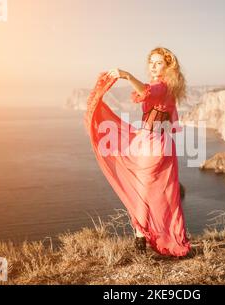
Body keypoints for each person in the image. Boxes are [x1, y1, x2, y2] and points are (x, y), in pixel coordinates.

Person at [84, 47, 190, 257]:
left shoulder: (162, 86)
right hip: (158, 142)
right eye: (151, 61)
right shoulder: (170, 87)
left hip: (152, 143)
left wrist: (127, 75)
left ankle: (140, 235)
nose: (153, 65)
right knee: (159, 191)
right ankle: (151, 235)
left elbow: (146, 91)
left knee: (141, 190)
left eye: (159, 62)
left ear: (168, 66)